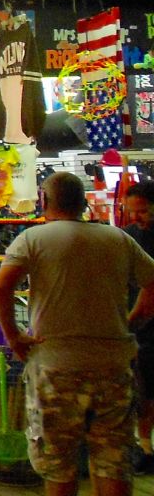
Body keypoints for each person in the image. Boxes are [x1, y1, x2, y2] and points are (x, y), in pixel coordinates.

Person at [0, 172, 154, 496]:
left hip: (55, 367)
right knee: (112, 463)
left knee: (59, 466)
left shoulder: (32, 240)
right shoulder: (117, 238)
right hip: (112, 366)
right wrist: (131, 321)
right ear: (83, 203)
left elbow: (0, 289)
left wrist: (14, 336)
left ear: (45, 200)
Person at [124, 180, 154, 473]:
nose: (136, 218)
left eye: (143, 211)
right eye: (132, 212)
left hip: (139, 319)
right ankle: (145, 446)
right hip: (139, 325)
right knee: (144, 389)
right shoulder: (128, 236)